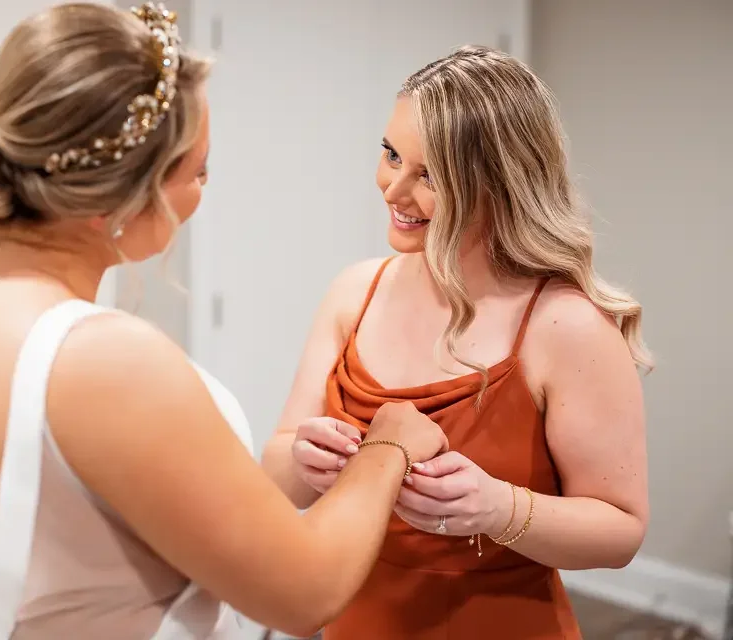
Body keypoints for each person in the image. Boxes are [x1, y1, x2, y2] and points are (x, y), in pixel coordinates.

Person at [0, 3, 451, 640]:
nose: (204, 189)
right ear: (114, 200)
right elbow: (307, 591)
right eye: (197, 170)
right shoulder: (99, 360)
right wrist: (388, 446)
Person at [261, 45, 651, 639]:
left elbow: (621, 531)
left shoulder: (565, 327)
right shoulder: (353, 292)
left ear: (502, 185)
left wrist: (498, 508)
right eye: (392, 154)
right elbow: (275, 476)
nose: (393, 190)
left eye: (430, 176)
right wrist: (302, 462)